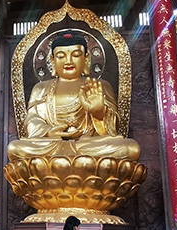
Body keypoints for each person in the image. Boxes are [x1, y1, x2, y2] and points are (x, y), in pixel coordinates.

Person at [8, 31, 141, 161]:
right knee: (15, 148)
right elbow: (32, 120)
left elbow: (112, 129)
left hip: (88, 143)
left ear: (86, 58)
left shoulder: (99, 86)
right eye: (61, 56)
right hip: (52, 145)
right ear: (52, 60)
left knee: (130, 148)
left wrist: (99, 112)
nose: (69, 61)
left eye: (76, 55)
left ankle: (67, 161)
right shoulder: (41, 89)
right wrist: (49, 132)